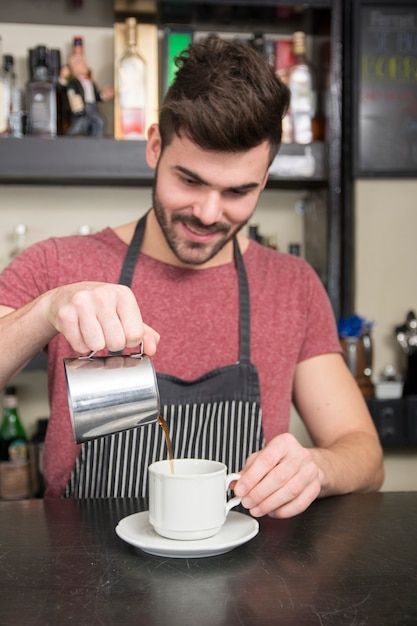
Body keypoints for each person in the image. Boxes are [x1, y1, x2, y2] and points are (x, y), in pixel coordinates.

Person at [0, 37, 384, 517]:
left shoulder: (292, 285)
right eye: (190, 180)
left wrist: (318, 467)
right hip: (84, 572)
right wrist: (47, 309)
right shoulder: (57, 263)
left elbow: (365, 457)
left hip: (243, 578)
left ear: (264, 179)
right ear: (155, 146)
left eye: (238, 191)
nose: (208, 213)